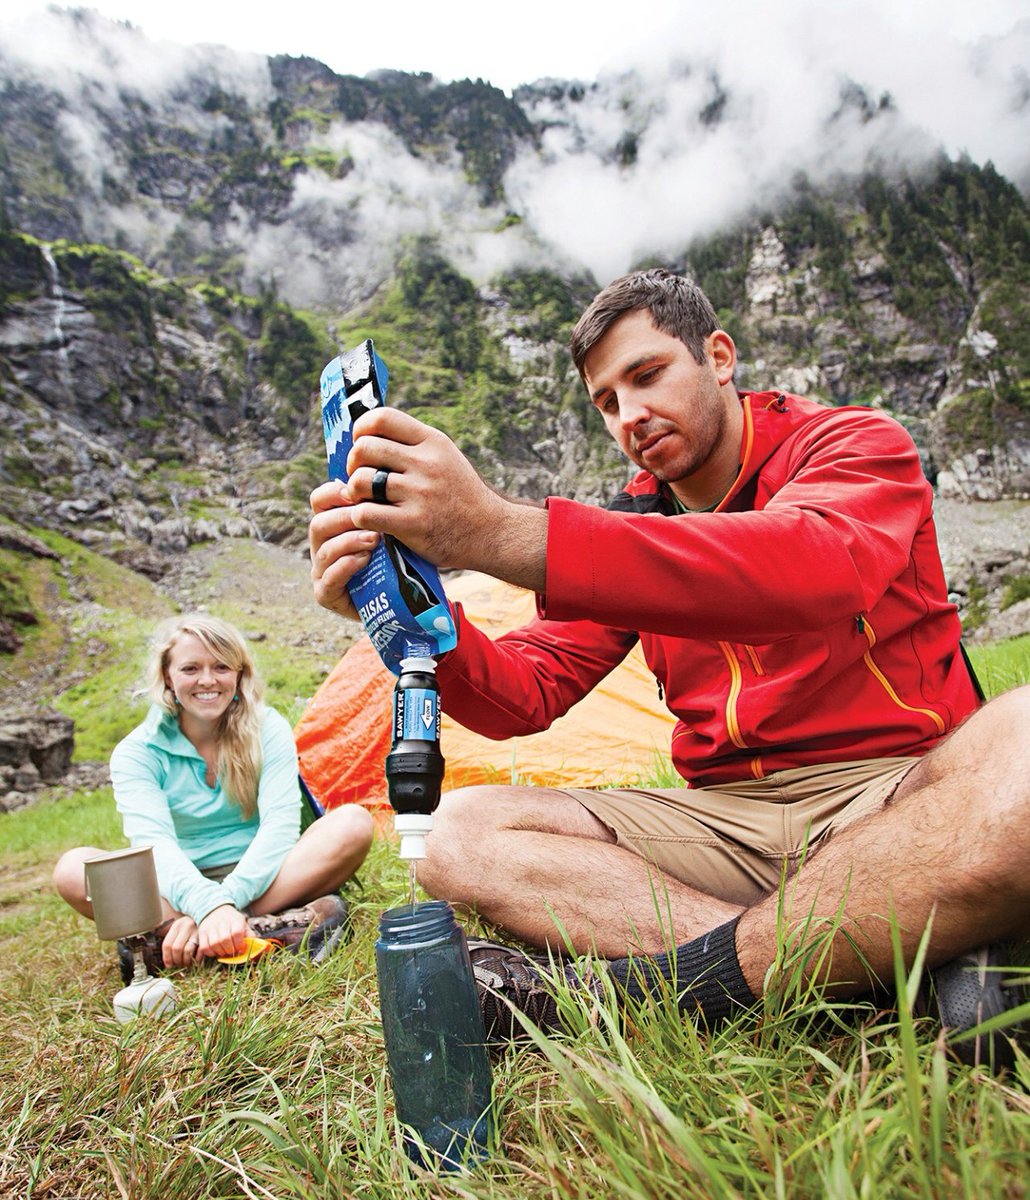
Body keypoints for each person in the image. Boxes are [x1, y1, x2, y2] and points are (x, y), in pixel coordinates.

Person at [308, 268, 1029, 1067]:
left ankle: (676, 982)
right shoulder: (634, 519)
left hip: (894, 791)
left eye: (647, 376)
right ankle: (876, 957)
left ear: (718, 356)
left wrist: (502, 534)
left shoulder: (853, 445)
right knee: (455, 835)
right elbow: (525, 693)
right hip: (726, 818)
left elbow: (816, 567)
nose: (631, 416)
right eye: (607, 402)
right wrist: (393, 612)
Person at [53, 613, 374, 970]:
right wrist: (205, 904)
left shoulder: (268, 727)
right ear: (167, 678)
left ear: (239, 674)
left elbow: (279, 826)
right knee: (72, 870)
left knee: (353, 823)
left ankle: (181, 937)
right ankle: (262, 927)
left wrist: (224, 903)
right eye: (190, 669)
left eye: (221, 666)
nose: (207, 680)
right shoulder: (137, 751)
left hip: (267, 876)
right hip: (175, 886)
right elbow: (154, 844)